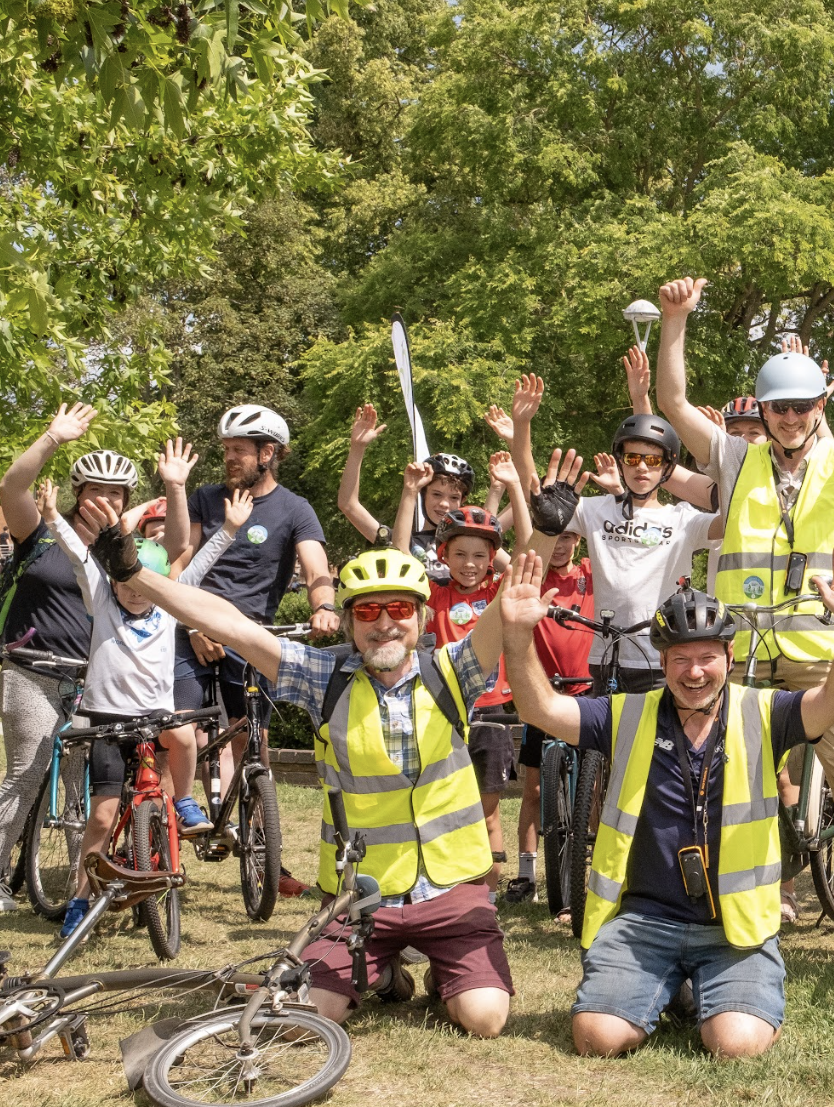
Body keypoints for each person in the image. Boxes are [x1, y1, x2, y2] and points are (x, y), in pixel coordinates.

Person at [104, 535, 515, 1036]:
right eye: (367, 612)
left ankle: (441, 973)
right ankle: (381, 972)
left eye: (399, 608)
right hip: (359, 898)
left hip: (453, 891)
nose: (384, 622)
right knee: (307, 1020)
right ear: (348, 623)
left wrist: (542, 525)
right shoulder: (327, 677)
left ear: (421, 618)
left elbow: (505, 609)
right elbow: (229, 625)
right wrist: (134, 573)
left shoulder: (451, 673)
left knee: (485, 1020)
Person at [503, 544, 834, 1059]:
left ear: (729, 658)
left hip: (733, 928)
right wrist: (518, 634)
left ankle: (710, 993)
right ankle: (674, 987)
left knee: (736, 1046)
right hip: (644, 923)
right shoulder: (626, 715)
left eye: (707, 658)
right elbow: (539, 708)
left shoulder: (765, 713)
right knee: (597, 1039)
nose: (694, 672)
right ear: (662, 661)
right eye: (681, 659)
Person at [651, 272, 834, 967]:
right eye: (777, 410)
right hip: (744, 650)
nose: (790, 420)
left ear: (820, 406)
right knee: (738, 779)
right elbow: (672, 401)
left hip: (820, 651)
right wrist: (676, 322)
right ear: (762, 412)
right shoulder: (736, 457)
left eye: (801, 408)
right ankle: (751, 896)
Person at [0, 409, 191, 913]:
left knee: (80, 783)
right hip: (33, 668)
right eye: (96, 490)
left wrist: (175, 488)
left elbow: (179, 548)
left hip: (92, 682)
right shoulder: (42, 532)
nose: (106, 500)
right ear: (78, 491)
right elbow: (11, 486)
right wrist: (53, 436)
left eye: (116, 494)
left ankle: (80, 881)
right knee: (28, 768)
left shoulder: (124, 550)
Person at [51, 491, 242, 935]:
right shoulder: (100, 598)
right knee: (102, 815)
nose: (135, 596)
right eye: (126, 587)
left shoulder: (170, 607)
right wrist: (52, 519)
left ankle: (185, 802)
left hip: (155, 717)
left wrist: (230, 530)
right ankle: (80, 899)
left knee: (184, 730)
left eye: (144, 589)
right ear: (113, 582)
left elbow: (196, 566)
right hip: (106, 720)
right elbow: (81, 556)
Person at [168, 405, 338, 853]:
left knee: (251, 737)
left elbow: (316, 567)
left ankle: (263, 849)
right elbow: (180, 562)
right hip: (194, 629)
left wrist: (324, 605)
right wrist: (190, 623)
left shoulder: (294, 509)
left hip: (251, 635)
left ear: (269, 453)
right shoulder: (205, 498)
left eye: (239, 450)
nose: (229, 458)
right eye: (226, 449)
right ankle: (173, 831)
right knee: (179, 729)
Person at [512, 370, 717, 693]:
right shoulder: (595, 510)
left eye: (652, 459)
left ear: (667, 467)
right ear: (620, 461)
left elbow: (735, 514)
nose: (642, 467)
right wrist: (522, 427)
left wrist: (723, 457)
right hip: (605, 656)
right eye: (633, 458)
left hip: (662, 658)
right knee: (606, 743)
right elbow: (532, 491)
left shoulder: (684, 520)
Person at [423, 468, 536, 877]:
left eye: (479, 556)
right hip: (446, 713)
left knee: (486, 815)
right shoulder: (434, 596)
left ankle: (486, 897)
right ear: (443, 556)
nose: (470, 565)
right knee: (445, 810)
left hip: (493, 715)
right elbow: (402, 550)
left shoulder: (498, 592)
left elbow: (528, 546)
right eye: (460, 555)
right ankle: (447, 885)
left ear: (492, 559)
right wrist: (406, 493)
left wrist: (516, 488)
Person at [508, 479, 594, 911]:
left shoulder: (591, 577)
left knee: (593, 789)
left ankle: (588, 863)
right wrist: (514, 487)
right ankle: (527, 873)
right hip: (542, 692)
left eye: (568, 538)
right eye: (554, 537)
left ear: (579, 541)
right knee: (534, 790)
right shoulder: (533, 576)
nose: (559, 545)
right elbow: (527, 536)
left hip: (587, 691)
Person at [337, 400, 476, 586]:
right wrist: (357, 448)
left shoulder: (474, 543)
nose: (444, 504)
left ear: (463, 501)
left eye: (453, 498)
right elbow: (348, 505)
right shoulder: (400, 540)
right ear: (423, 494)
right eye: (436, 494)